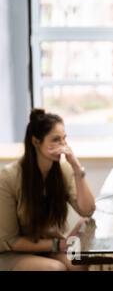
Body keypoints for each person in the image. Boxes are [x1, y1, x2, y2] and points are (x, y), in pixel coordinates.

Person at [0, 108, 96, 271]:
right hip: (11, 252)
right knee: (55, 268)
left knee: (78, 266)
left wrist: (76, 167)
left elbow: (87, 210)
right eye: (56, 140)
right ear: (36, 141)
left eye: (64, 139)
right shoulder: (8, 178)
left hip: (48, 246)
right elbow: (10, 240)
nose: (63, 146)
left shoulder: (63, 171)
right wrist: (59, 244)